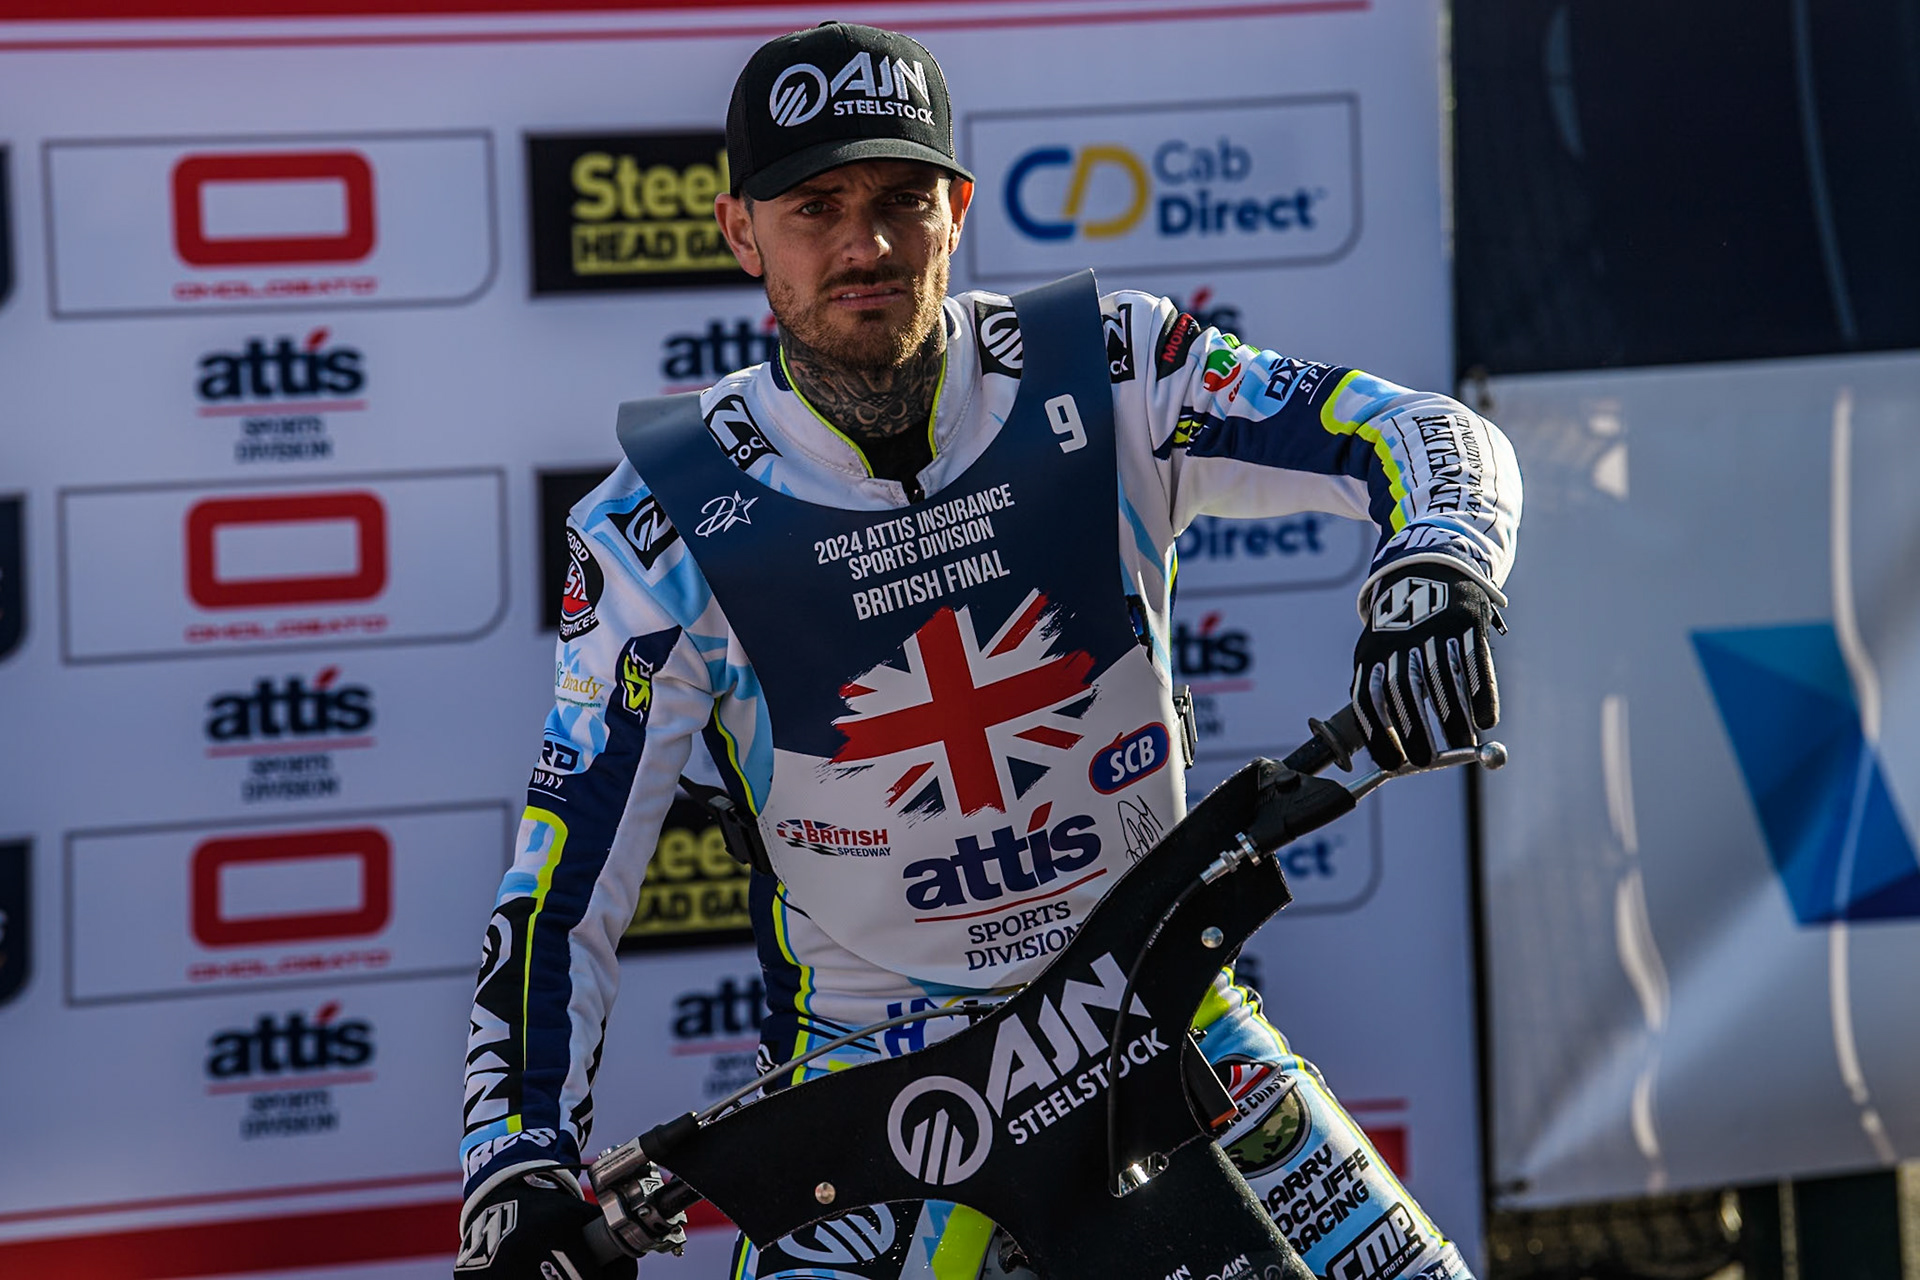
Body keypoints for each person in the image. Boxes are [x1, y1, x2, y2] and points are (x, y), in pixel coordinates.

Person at [455, 21, 1519, 1280]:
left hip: (1161, 1021)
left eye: (904, 197)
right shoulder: (655, 526)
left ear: (958, 206)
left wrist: (1438, 564)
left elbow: (1423, 431)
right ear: (741, 232)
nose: (868, 243)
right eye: (817, 206)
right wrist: (513, 1157)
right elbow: (562, 882)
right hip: (874, 1103)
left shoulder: (1108, 368)